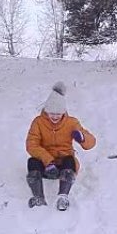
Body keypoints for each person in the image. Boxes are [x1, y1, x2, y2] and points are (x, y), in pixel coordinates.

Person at [25, 81, 96, 211]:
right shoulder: (38, 122)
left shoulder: (71, 122)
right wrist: (48, 161)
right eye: (52, 113)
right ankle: (38, 198)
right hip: (45, 165)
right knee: (32, 162)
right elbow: (31, 145)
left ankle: (63, 196)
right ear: (46, 112)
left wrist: (82, 138)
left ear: (64, 112)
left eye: (58, 114)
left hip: (64, 165)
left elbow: (92, 142)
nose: (55, 117)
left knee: (70, 160)